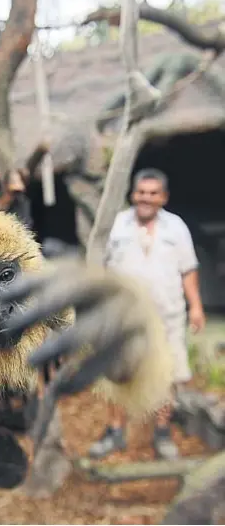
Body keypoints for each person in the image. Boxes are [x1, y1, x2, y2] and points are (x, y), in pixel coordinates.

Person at [89, 168, 206, 460]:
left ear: (163, 197)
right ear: (132, 194)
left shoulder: (176, 227)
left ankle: (162, 432)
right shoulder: (115, 225)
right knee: (118, 372)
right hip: (123, 317)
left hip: (167, 316)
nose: (146, 198)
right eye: (141, 192)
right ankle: (115, 431)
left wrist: (196, 306)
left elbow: (188, 269)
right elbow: (98, 267)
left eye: (153, 193)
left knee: (167, 375)